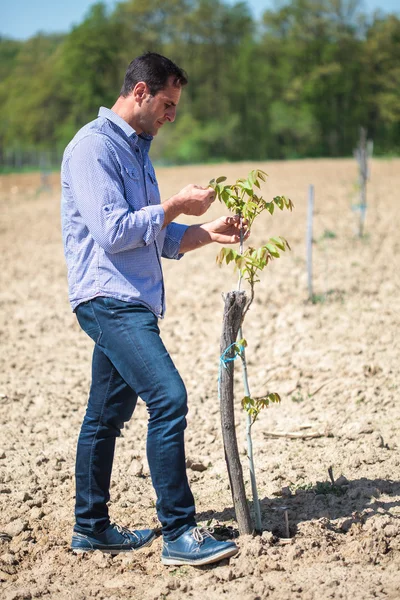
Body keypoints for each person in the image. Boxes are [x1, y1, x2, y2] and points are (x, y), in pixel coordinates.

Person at [61, 52, 246, 566]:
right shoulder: (93, 148)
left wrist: (208, 233)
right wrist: (175, 205)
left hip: (132, 299)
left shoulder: (138, 151)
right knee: (169, 397)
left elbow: (156, 237)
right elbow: (116, 231)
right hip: (109, 299)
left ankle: (91, 528)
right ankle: (180, 533)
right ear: (139, 92)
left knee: (105, 415)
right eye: (167, 103)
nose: (171, 115)